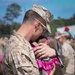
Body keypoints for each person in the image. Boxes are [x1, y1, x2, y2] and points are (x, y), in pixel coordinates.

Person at [2, 4, 56, 75]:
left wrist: (54, 52)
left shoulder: (19, 43)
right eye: (44, 30)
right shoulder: (19, 49)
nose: (42, 34)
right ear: (37, 25)